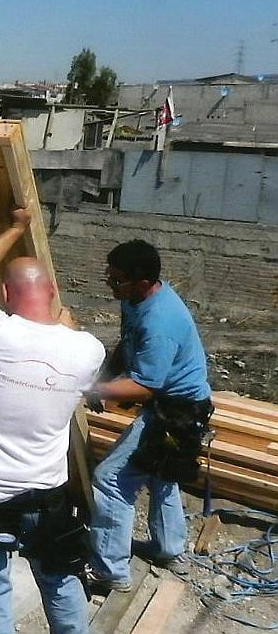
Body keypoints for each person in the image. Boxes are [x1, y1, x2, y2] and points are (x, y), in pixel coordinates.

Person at [0, 208, 108, 634]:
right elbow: (69, 339)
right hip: (43, 492)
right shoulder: (87, 350)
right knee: (58, 573)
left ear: (4, 296)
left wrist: (15, 226)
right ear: (54, 294)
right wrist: (66, 322)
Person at [85, 240, 211, 592]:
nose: (111, 287)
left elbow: (144, 386)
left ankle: (110, 571)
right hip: (176, 403)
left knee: (110, 480)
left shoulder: (160, 323)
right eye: (108, 278)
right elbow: (127, 346)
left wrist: (94, 390)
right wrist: (107, 378)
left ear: (143, 281)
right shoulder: (135, 298)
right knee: (161, 471)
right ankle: (168, 549)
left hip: (177, 410)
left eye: (117, 281)